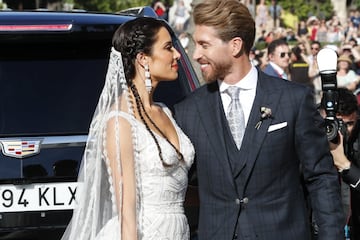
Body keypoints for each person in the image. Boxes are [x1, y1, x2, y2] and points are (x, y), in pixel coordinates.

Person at [174, 1, 344, 239]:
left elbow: (321, 178)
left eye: (204, 45)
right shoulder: (188, 110)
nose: (195, 54)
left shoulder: (292, 99)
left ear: (235, 46)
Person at [61, 17, 195, 240]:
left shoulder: (165, 111)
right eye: (168, 48)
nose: (178, 55)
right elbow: (127, 210)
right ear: (143, 59)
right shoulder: (119, 121)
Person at [327, 88, 360, 239]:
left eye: (349, 124)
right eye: (335, 126)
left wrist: (345, 165)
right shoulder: (307, 136)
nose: (342, 133)